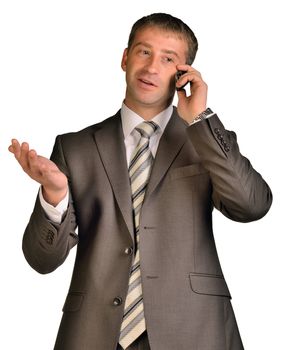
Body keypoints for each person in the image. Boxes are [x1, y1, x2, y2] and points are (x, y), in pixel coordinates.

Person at [9, 12, 272, 350]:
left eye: (168, 59)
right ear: (125, 57)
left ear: (183, 74)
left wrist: (200, 120)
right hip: (94, 333)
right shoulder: (74, 147)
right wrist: (54, 194)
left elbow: (252, 206)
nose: (151, 68)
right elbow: (41, 260)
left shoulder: (204, 140)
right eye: (143, 52)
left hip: (194, 330)